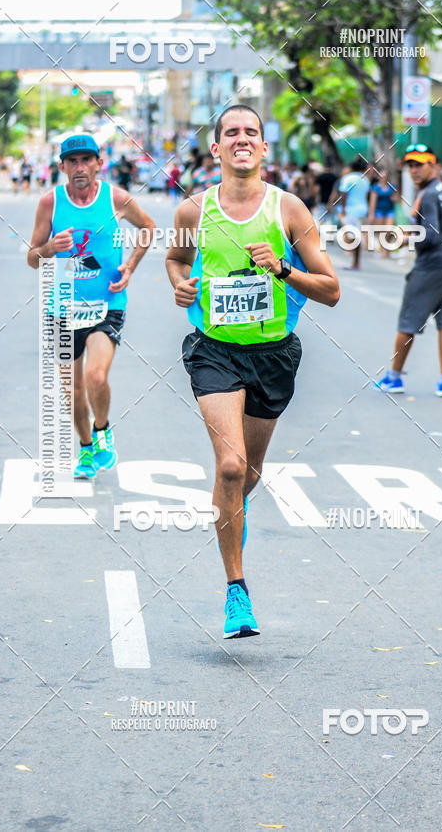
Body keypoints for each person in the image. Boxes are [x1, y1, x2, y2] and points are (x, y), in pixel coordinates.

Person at [166, 104, 339, 639]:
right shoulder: (193, 210)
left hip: (273, 355)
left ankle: (232, 512)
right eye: (231, 133)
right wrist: (180, 286)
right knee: (231, 466)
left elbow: (331, 289)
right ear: (216, 148)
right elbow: (175, 259)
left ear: (264, 147)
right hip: (214, 350)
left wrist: (283, 268)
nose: (242, 139)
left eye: (251, 133)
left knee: (248, 474)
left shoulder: (289, 210)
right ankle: (236, 591)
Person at [27, 133, 155, 477]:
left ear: (99, 163)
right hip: (62, 308)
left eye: (86, 160)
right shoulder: (50, 203)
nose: (80, 167)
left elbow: (148, 227)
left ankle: (102, 430)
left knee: (96, 376)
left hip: (106, 304)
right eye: (73, 161)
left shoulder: (116, 198)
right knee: (73, 389)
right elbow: (32, 258)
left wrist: (130, 266)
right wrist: (50, 248)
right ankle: (86, 449)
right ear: (62, 167)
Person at [375, 144, 442, 396]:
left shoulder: (429, 194)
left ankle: (394, 378)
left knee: (408, 322)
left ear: (433, 165)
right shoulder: (441, 189)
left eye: (420, 165)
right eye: (411, 165)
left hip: (432, 266)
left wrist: (405, 240)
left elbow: (431, 235)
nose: (414, 170)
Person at [338, 157, 371, 269]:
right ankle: (356, 262)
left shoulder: (347, 178)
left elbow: (344, 194)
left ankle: (355, 263)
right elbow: (366, 195)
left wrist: (343, 209)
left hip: (351, 210)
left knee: (353, 236)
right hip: (362, 210)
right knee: (355, 235)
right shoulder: (365, 179)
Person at [368, 169, 398, 257]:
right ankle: (383, 250)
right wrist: (371, 214)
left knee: (388, 230)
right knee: (382, 232)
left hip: (389, 211)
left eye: (385, 176)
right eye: (382, 176)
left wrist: (395, 198)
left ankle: (386, 249)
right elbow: (373, 202)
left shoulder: (392, 186)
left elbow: (396, 197)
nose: (383, 178)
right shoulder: (376, 187)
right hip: (379, 211)